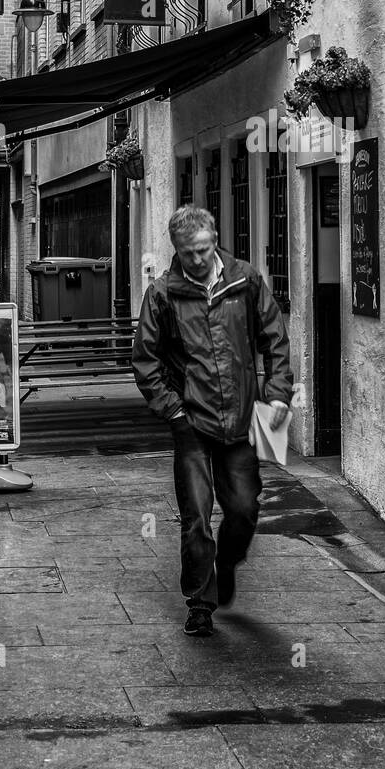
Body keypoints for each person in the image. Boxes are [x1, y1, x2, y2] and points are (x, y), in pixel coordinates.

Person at [133, 205, 293, 637]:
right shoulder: (164, 294)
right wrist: (173, 409)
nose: (197, 260)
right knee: (196, 517)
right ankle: (200, 602)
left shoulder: (245, 280)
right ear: (177, 250)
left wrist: (277, 394)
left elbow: (274, 340)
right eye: (188, 254)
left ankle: (227, 563)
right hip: (192, 424)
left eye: (203, 250)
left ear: (214, 239)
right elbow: (145, 361)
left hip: (242, 420)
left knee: (244, 509)